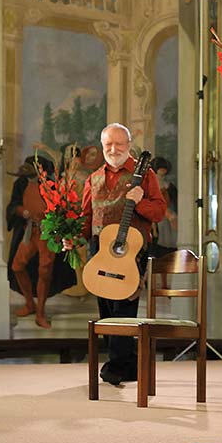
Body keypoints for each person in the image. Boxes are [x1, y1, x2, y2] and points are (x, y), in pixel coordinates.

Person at [64, 123, 166, 385]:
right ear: (102, 147)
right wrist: (73, 239)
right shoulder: (93, 178)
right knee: (107, 310)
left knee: (123, 306)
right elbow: (87, 217)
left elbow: (159, 212)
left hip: (131, 250)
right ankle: (128, 364)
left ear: (129, 145)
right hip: (101, 249)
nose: (113, 149)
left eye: (119, 144)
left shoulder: (145, 174)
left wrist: (140, 201)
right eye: (108, 144)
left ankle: (117, 365)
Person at [7, 156, 76, 328]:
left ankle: (40, 313)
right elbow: (13, 205)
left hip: (48, 233)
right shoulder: (21, 184)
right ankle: (30, 303)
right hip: (30, 231)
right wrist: (23, 212)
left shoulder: (51, 185)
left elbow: (62, 209)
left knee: (45, 272)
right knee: (17, 266)